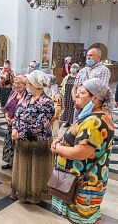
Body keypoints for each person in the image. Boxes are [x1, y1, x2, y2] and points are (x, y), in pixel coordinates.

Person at [51, 78, 114, 224]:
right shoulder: (93, 115)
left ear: (95, 99)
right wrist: (59, 140)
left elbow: (81, 152)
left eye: (81, 93)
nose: (76, 95)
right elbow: (76, 135)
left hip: (84, 182)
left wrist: (58, 148)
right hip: (79, 179)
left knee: (82, 219)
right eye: (77, 92)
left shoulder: (94, 121)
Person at [11, 70, 54, 203]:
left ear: (36, 84)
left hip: (37, 142)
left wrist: (21, 133)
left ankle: (35, 194)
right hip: (23, 140)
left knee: (36, 170)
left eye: (29, 81)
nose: (27, 83)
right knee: (23, 168)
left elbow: (41, 126)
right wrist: (14, 128)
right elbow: (17, 113)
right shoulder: (27, 97)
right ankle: (22, 192)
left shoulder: (47, 102)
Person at [72, 48, 111, 118]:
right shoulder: (83, 70)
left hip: (92, 107)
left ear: (98, 57)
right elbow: (75, 87)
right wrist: (76, 100)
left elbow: (102, 92)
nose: (88, 57)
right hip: (80, 105)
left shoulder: (104, 70)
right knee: (76, 126)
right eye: (87, 55)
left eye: (91, 55)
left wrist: (90, 104)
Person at [2, 75, 27, 169]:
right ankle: (10, 162)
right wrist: (7, 116)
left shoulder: (27, 94)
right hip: (10, 122)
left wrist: (14, 119)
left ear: (24, 84)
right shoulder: (13, 92)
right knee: (9, 143)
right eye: (15, 83)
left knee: (18, 144)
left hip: (20, 124)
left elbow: (24, 110)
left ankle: (18, 164)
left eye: (18, 83)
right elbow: (7, 106)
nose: (15, 85)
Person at [45, 74, 63, 139]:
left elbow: (58, 108)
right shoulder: (49, 92)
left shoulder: (57, 95)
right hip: (49, 118)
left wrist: (53, 118)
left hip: (54, 119)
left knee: (54, 135)